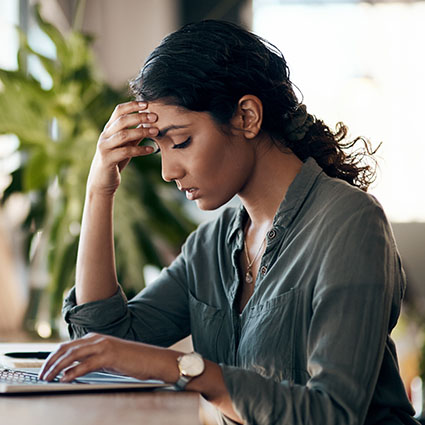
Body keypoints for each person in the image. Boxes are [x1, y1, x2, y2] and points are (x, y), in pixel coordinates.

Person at [39, 20, 419, 425]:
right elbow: (101, 344)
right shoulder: (211, 246)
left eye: (181, 141)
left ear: (247, 117)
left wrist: (183, 368)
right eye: (160, 149)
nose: (168, 170)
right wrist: (100, 187)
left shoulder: (350, 222)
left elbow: (332, 414)